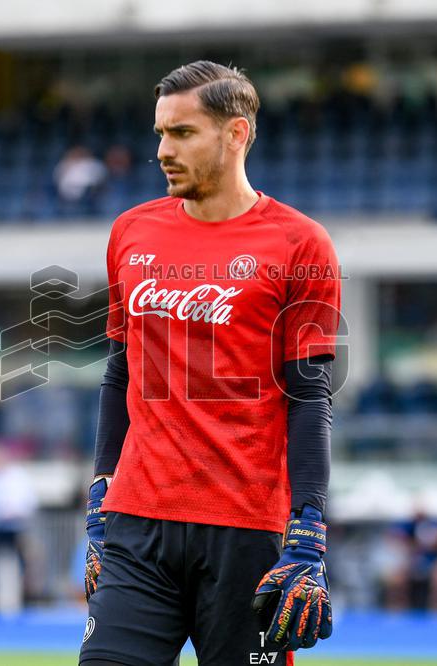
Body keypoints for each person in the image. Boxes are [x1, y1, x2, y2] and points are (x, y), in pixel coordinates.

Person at [79, 61, 341, 666]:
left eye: (183, 133)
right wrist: (99, 492)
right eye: (160, 133)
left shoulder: (300, 244)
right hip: (138, 522)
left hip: (247, 531)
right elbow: (120, 373)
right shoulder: (130, 232)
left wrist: (308, 533)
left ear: (236, 134)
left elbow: (309, 396)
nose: (164, 150)